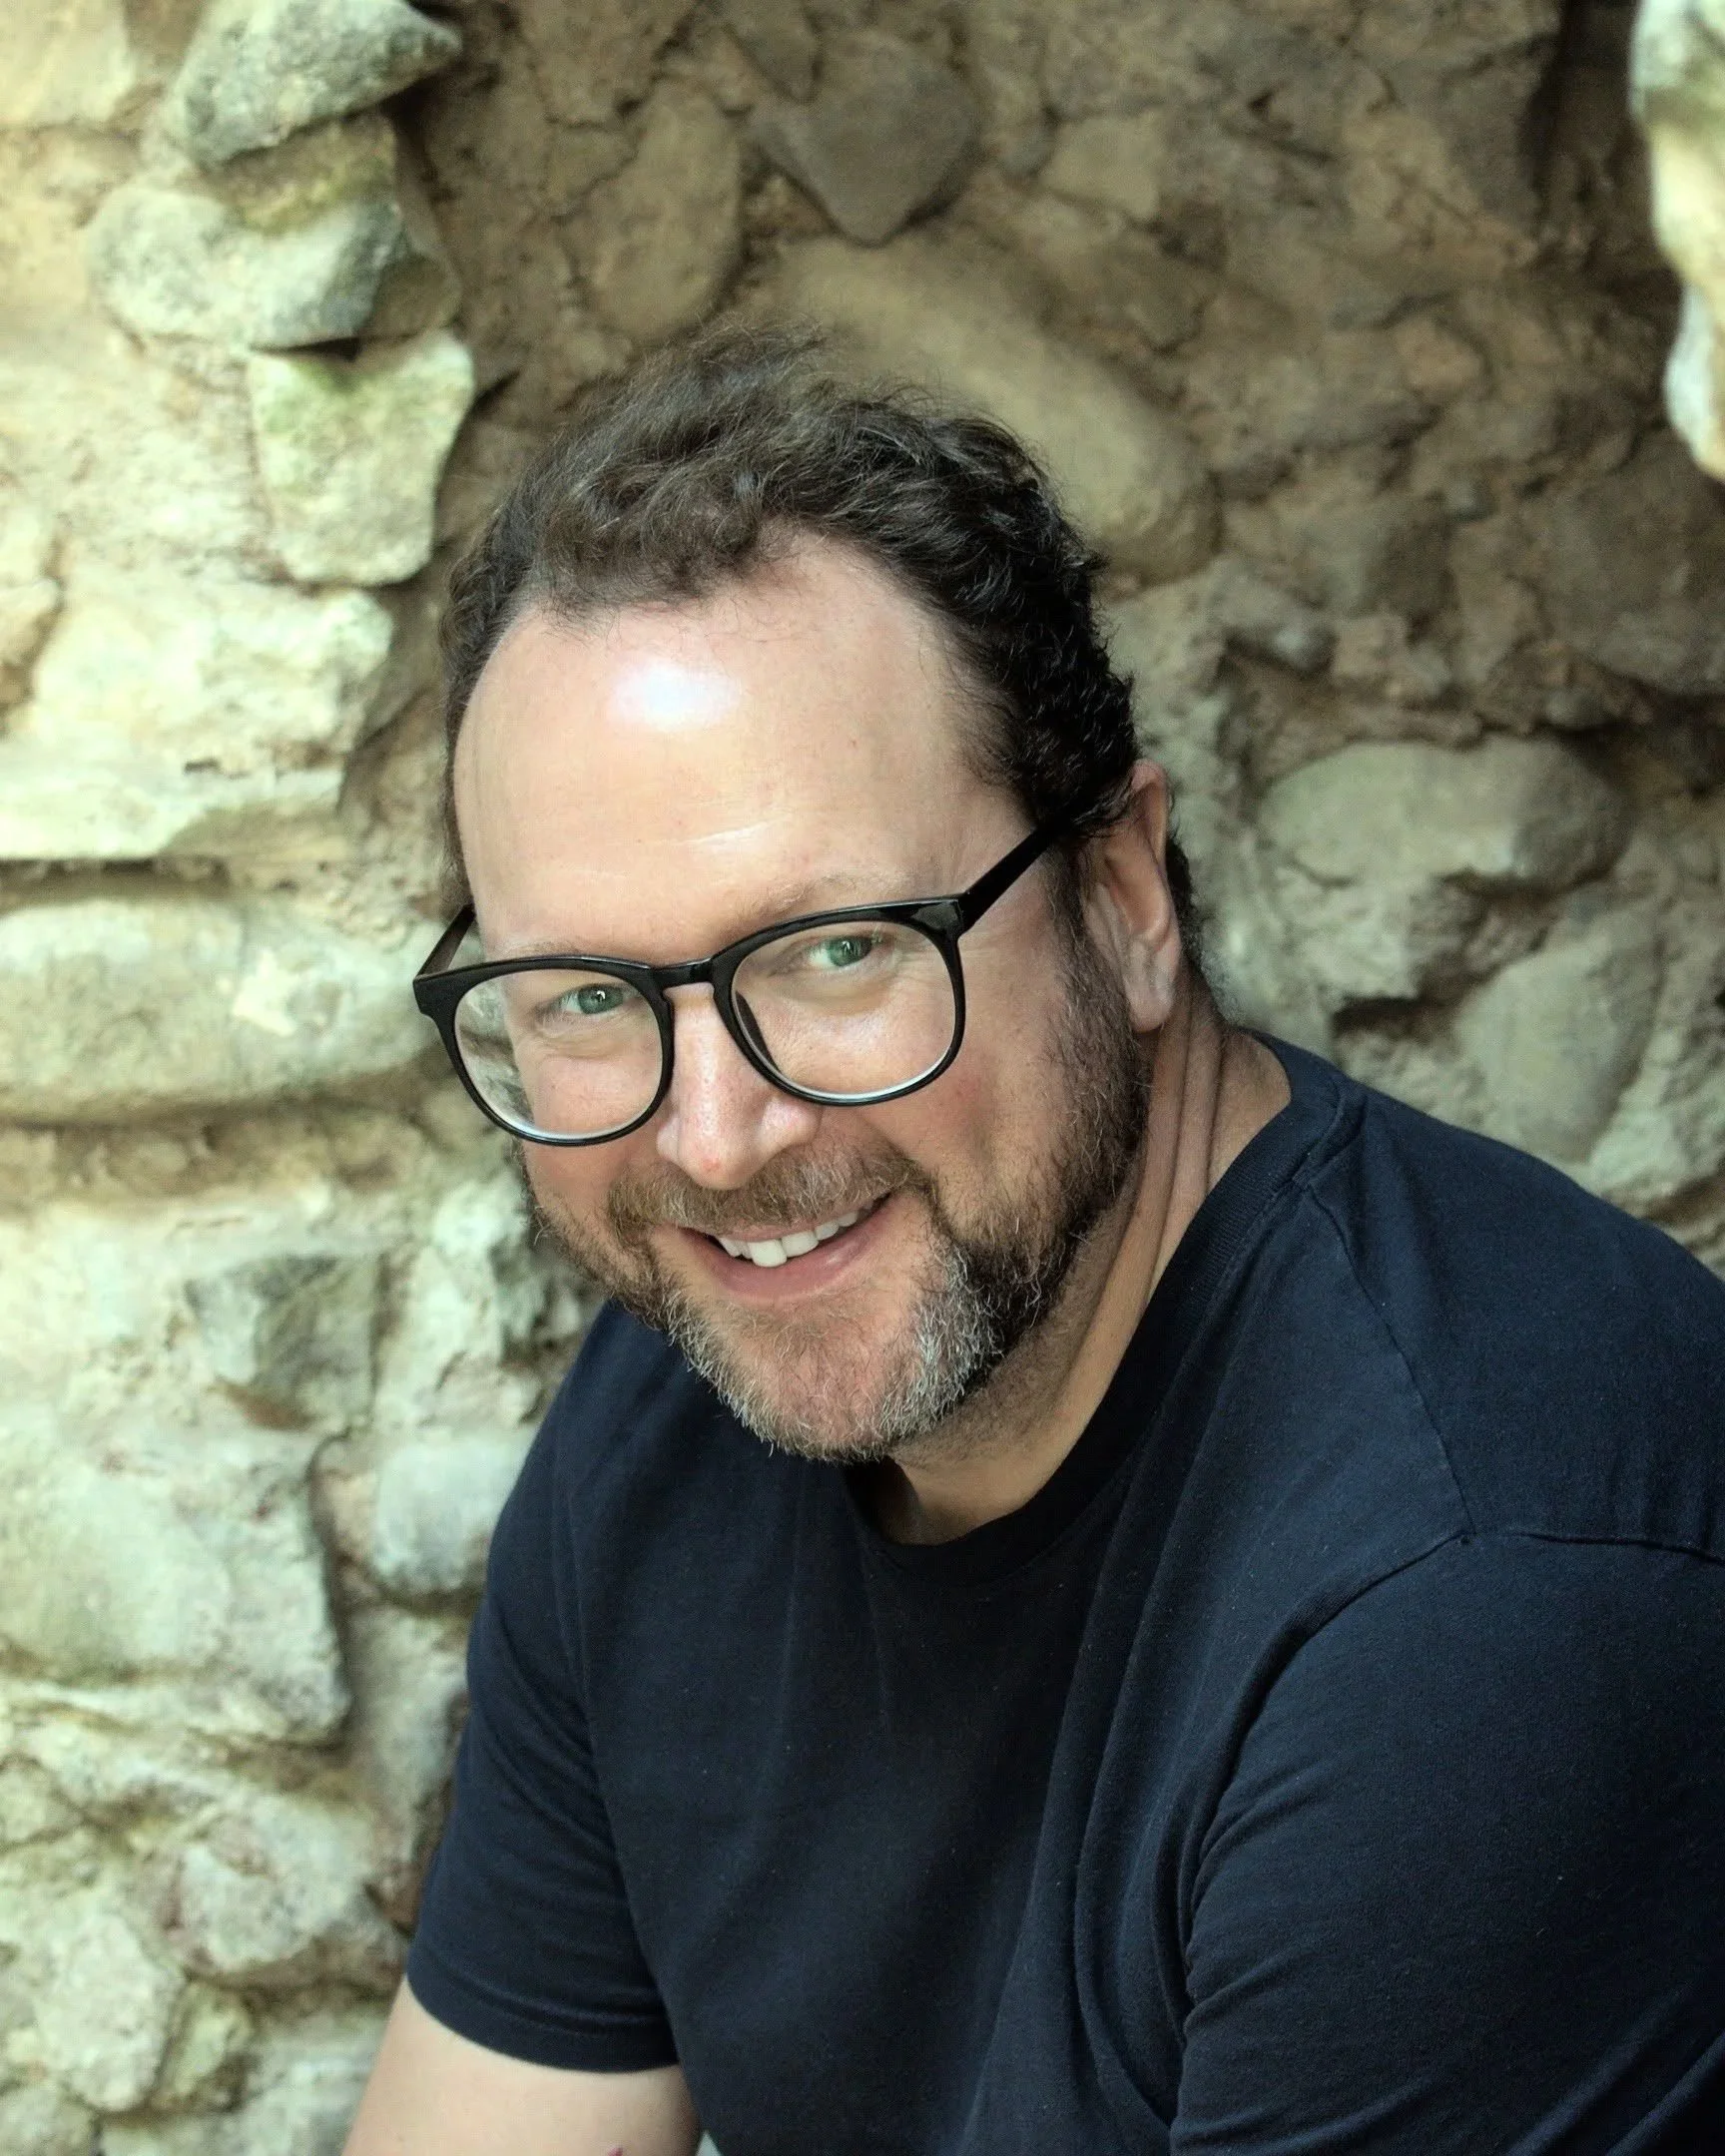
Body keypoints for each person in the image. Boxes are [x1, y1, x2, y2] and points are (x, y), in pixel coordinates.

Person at [344, 329, 1725, 2156]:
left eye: (838, 952)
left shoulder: (1476, 1601)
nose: (710, 1139)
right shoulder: (676, 1409)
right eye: (588, 993)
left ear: (1125, 893)